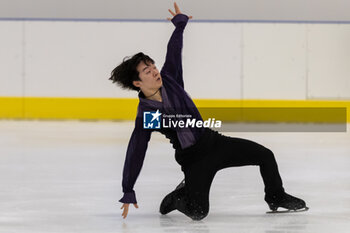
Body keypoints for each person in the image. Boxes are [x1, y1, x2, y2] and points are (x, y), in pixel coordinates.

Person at [109, 2, 308, 220]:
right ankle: (177, 197)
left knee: (265, 155)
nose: (155, 72)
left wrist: (179, 26)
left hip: (214, 143)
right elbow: (136, 150)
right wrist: (128, 188)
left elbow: (174, 52)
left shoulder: (170, 80)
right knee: (198, 212)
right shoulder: (148, 114)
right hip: (194, 160)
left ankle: (276, 197)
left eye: (153, 66)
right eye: (147, 71)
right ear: (137, 83)